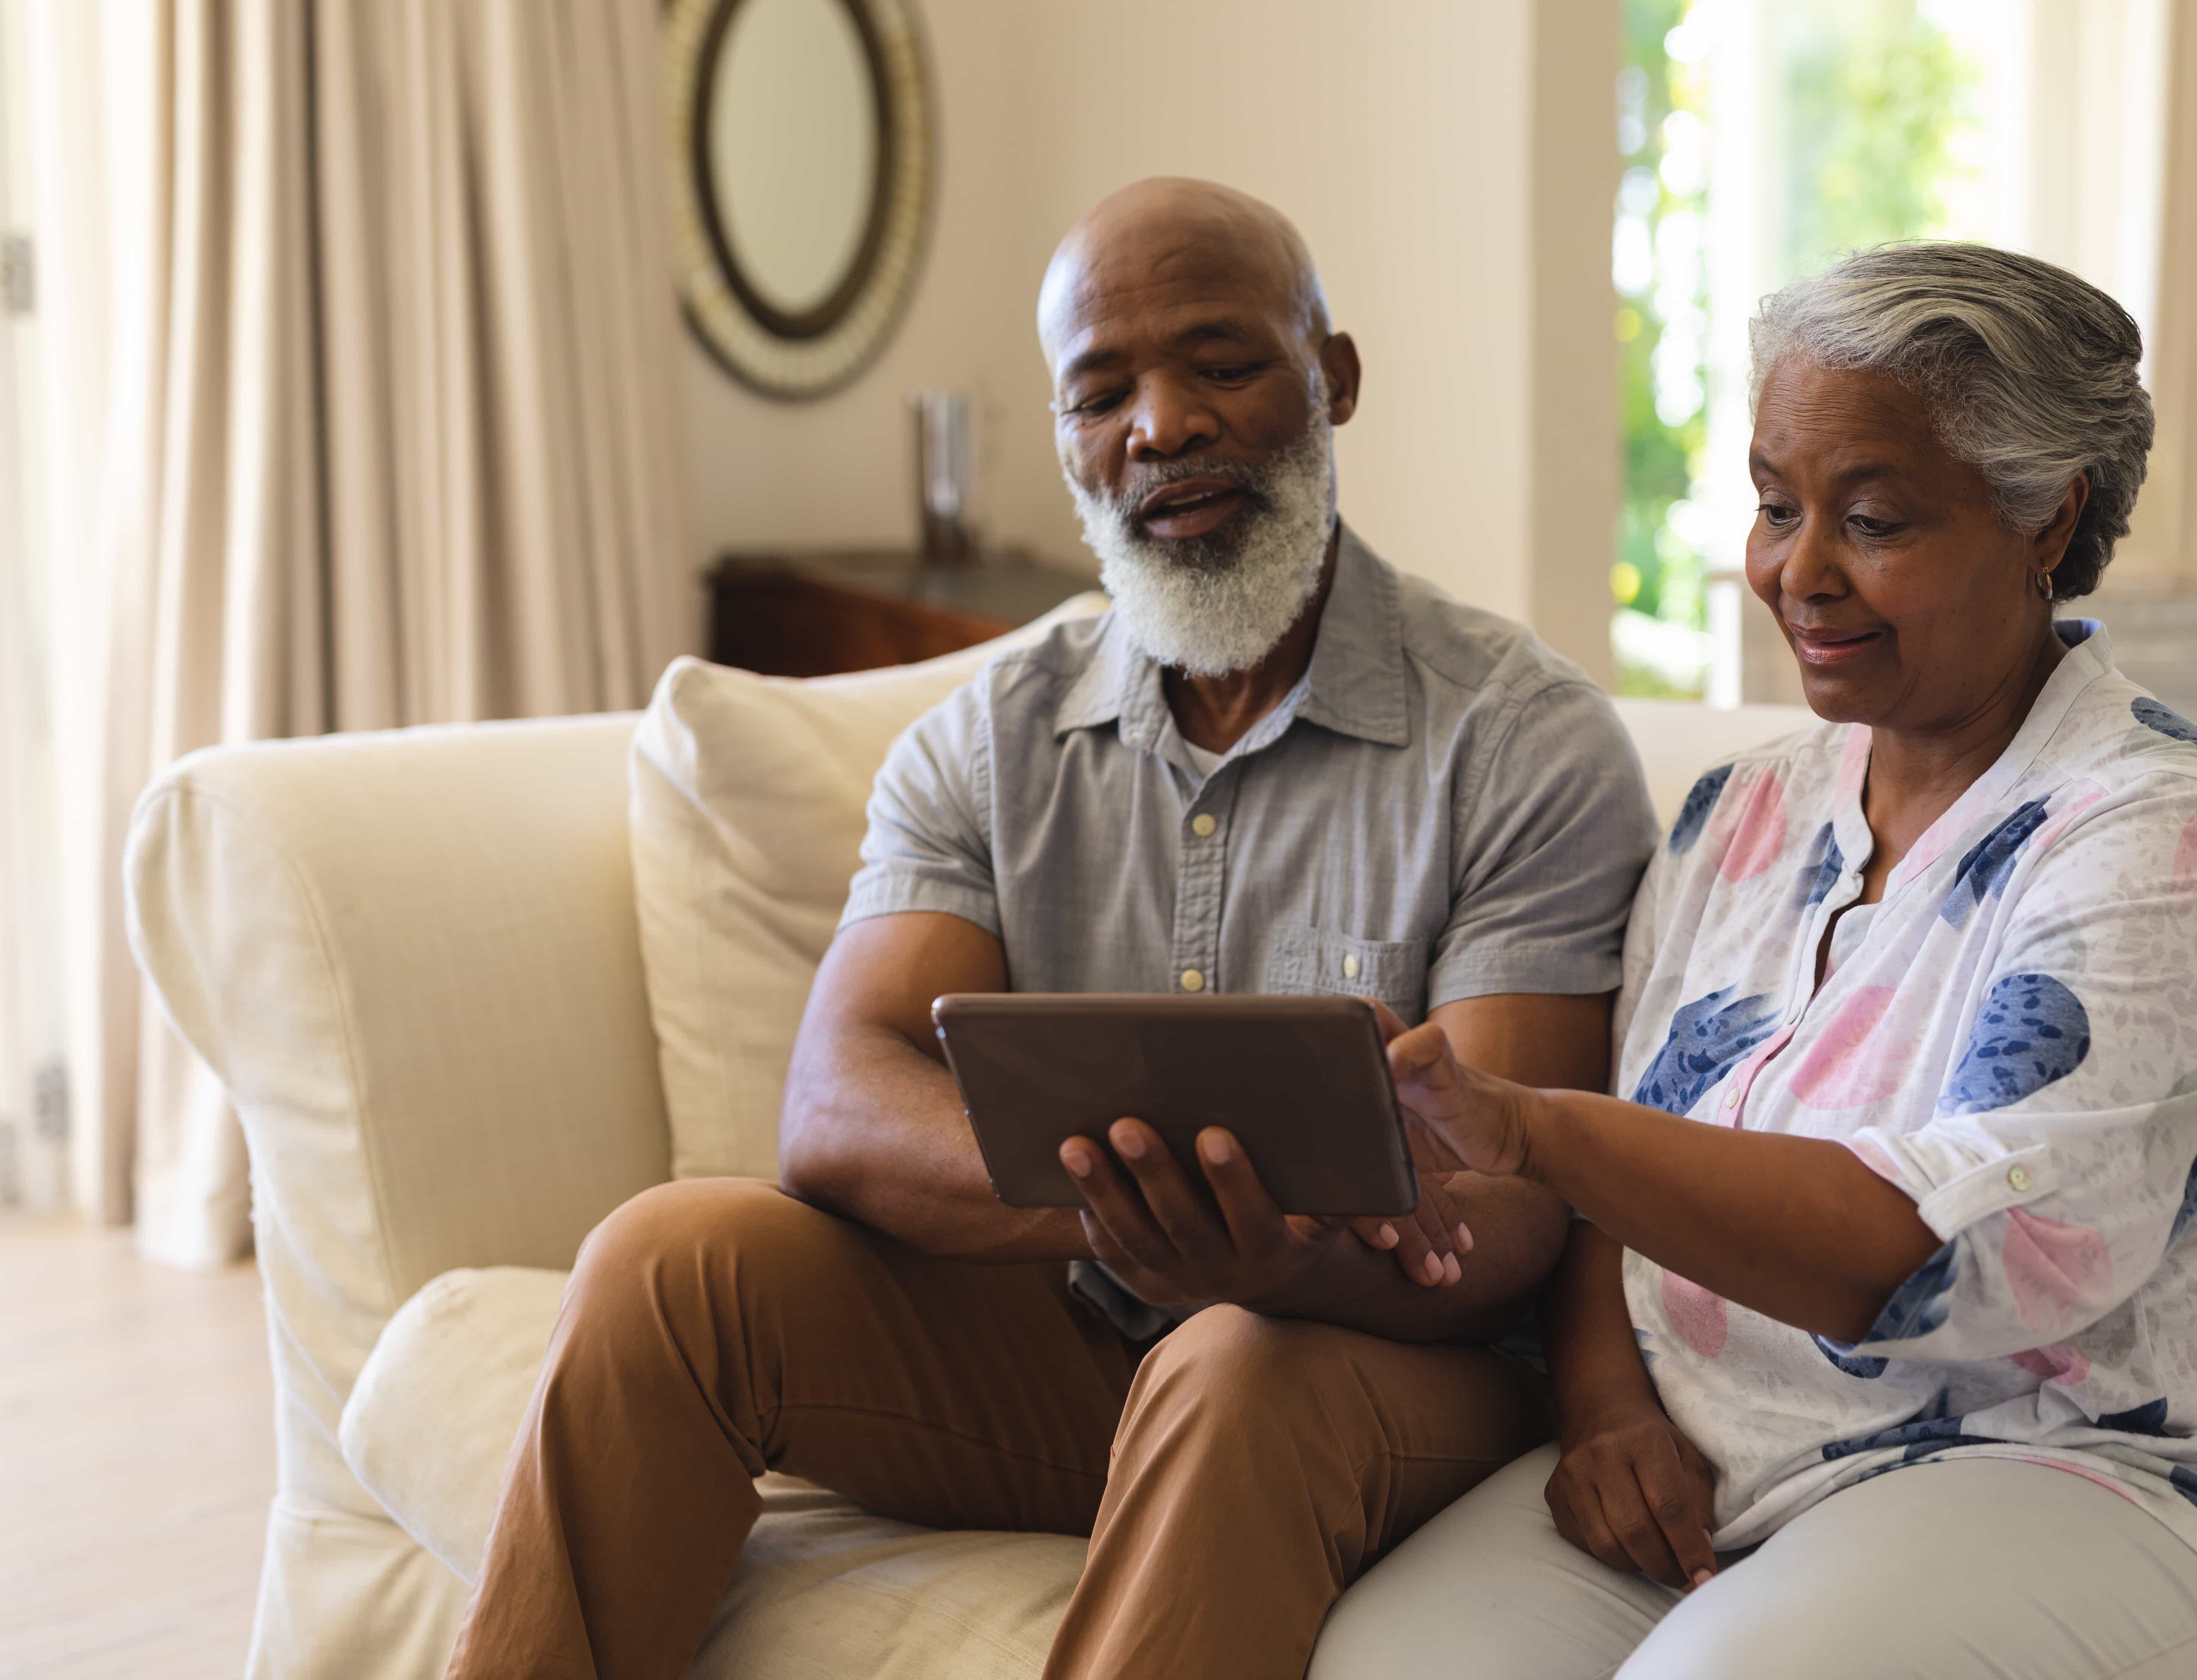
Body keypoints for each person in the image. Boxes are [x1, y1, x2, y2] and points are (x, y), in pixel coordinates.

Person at [441, 177, 1657, 1680]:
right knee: (668, 1260)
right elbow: (836, 1105)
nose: (1164, 425)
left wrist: (1271, 1260)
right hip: (1069, 1337)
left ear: (1331, 379)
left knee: (1235, 1361)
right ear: (1075, 440)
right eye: (1104, 392)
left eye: (1222, 365)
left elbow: (1511, 1214)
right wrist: (1121, 1211)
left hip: (1394, 1373)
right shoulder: (987, 738)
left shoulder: (1523, 740)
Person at [1330, 244, 2197, 1680]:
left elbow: (1947, 1263)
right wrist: (1606, 1403)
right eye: (1777, 506)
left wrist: (1534, 1132)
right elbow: (1639, 1181)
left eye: (1875, 519)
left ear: (2050, 517)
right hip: (1746, 1479)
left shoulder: (2168, 836)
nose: (1801, 572)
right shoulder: (1742, 817)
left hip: (2126, 1482)